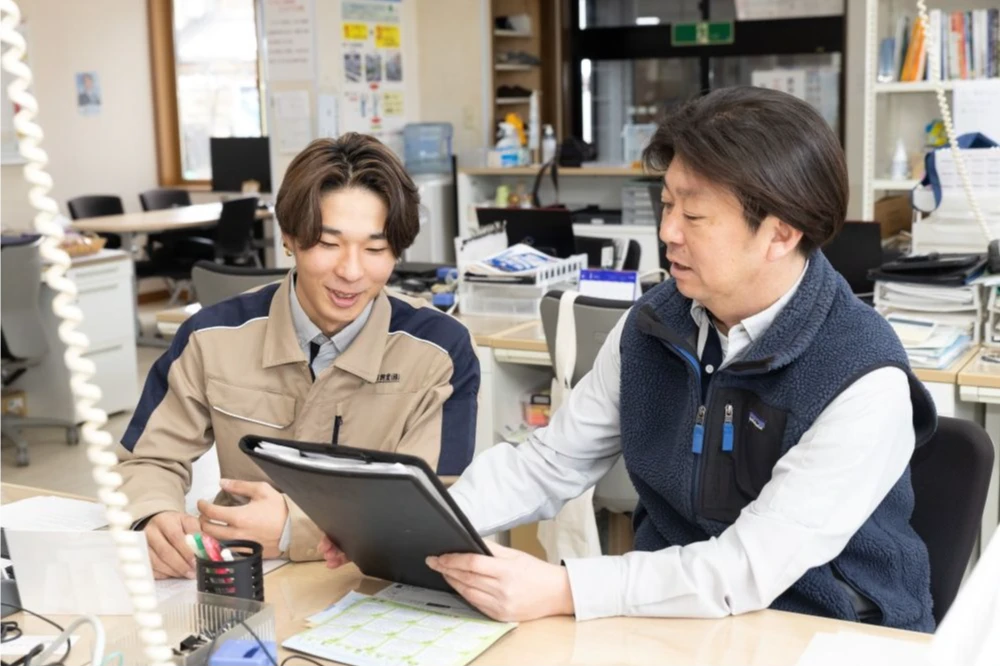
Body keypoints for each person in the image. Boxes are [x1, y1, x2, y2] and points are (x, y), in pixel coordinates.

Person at [321, 87, 938, 632]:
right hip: (668, 618)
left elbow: (746, 568)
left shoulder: (862, 377)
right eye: (666, 205)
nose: (668, 232)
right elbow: (550, 463)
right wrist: (405, 523)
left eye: (693, 215)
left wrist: (565, 589)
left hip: (825, 631)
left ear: (780, 233)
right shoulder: (653, 324)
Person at [115, 134, 480, 580]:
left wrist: (295, 529)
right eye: (328, 243)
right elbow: (147, 458)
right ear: (289, 238)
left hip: (372, 582)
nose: (351, 271)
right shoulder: (211, 336)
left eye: (375, 249)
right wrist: (153, 518)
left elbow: (437, 505)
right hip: (240, 575)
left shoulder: (441, 350)